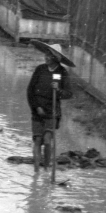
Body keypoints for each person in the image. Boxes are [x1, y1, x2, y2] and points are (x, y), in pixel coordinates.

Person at [27, 42, 74, 170]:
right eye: (46, 54)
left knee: (47, 140)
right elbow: (30, 91)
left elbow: (69, 93)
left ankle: (46, 169)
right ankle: (36, 170)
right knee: (37, 140)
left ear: (56, 58)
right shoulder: (40, 69)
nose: (46, 57)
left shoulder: (62, 72)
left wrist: (58, 90)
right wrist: (36, 107)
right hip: (37, 111)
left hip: (52, 111)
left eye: (49, 55)